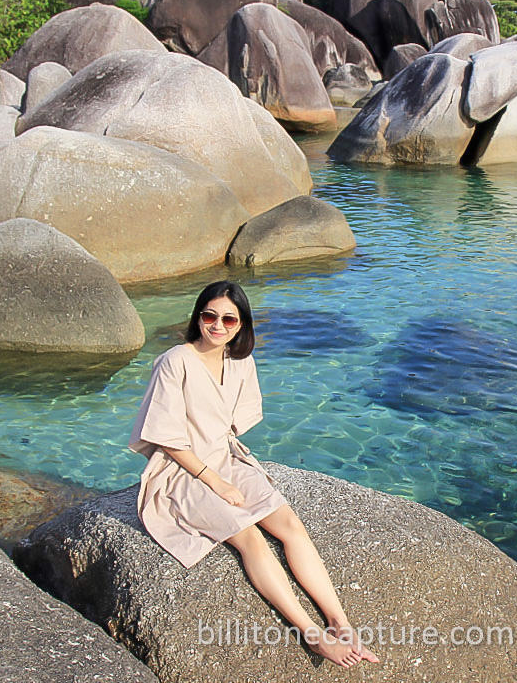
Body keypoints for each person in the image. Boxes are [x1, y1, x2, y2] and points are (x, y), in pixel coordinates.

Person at [129, 280, 378, 668]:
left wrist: (230, 471)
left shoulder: (240, 360)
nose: (218, 325)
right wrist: (216, 482)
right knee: (249, 538)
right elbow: (167, 439)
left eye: (229, 319)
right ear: (198, 316)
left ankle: (339, 621)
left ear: (241, 324)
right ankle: (312, 636)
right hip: (181, 470)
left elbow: (235, 424)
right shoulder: (175, 360)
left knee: (290, 524)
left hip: (226, 457)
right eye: (209, 315)